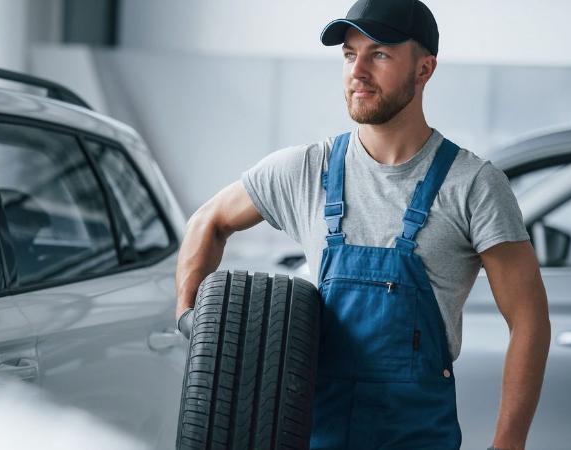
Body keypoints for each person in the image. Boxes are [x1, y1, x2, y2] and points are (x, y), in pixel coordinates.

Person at [174, 0, 551, 448]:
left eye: (380, 54)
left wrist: (509, 442)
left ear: (424, 69)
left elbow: (529, 319)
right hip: (311, 436)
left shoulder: (473, 185)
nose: (358, 70)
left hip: (416, 438)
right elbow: (209, 220)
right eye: (350, 55)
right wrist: (190, 318)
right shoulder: (306, 169)